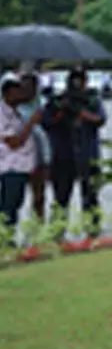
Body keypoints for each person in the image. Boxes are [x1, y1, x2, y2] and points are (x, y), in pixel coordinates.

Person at [43, 67, 106, 237]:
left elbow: (100, 120)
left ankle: (93, 230)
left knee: (90, 197)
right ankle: (57, 231)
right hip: (64, 155)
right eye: (74, 80)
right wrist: (63, 109)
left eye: (80, 80)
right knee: (61, 197)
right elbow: (46, 122)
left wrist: (79, 112)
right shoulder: (57, 101)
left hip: (88, 154)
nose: (77, 84)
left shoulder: (92, 100)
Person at [1, 74, 41, 231]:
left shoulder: (16, 112)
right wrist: (31, 123)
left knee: (16, 203)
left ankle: (9, 235)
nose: (21, 95)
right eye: (17, 92)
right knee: (8, 206)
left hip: (22, 166)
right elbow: (15, 142)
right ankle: (5, 238)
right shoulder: (2, 115)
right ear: (7, 94)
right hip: (10, 166)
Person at [17, 73, 51, 222]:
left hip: (40, 155)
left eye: (31, 86)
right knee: (14, 197)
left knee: (39, 196)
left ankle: (38, 227)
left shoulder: (43, 105)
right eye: (23, 87)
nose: (27, 90)